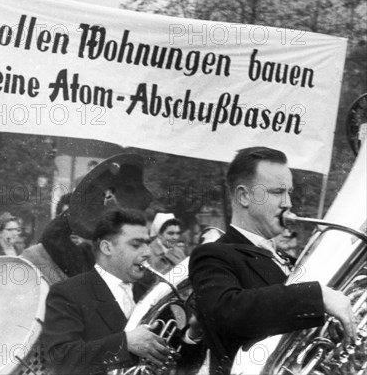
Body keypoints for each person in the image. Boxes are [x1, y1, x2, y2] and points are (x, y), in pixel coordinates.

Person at [189, 147, 355, 375]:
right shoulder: (214, 254)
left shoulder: (290, 261)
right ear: (244, 196)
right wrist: (317, 297)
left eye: (290, 192)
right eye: (277, 192)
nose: (288, 203)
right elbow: (225, 311)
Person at [43, 208, 181, 374]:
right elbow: (60, 359)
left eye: (147, 243)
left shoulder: (150, 290)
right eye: (136, 245)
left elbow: (177, 353)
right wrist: (124, 343)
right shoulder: (69, 293)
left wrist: (193, 334)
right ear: (107, 248)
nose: (147, 252)